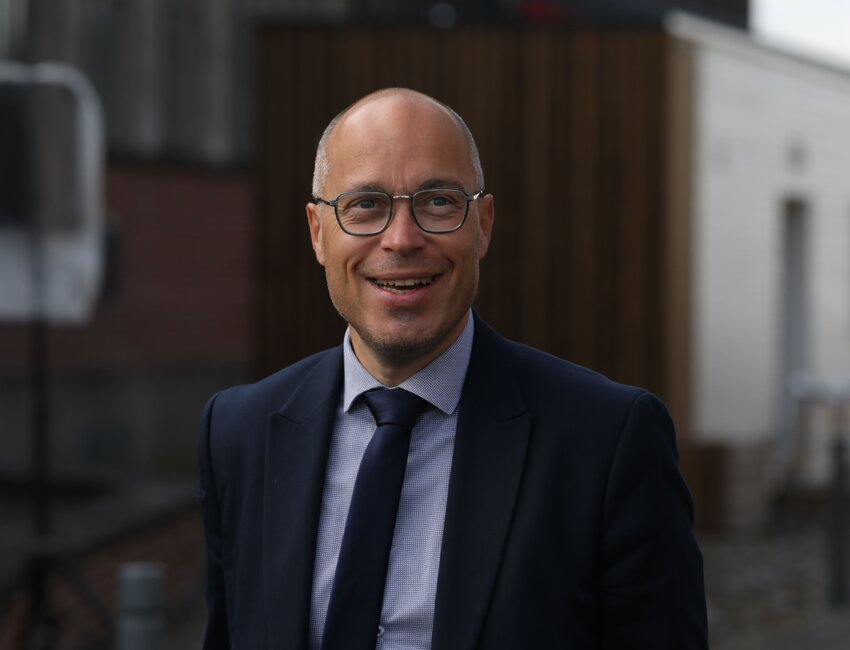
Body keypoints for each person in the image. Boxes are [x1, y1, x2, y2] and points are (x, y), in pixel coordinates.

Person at [197, 88, 708, 649]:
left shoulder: (608, 442)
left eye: (438, 202)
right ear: (319, 232)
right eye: (365, 205)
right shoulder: (239, 434)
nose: (401, 239)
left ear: (483, 225)